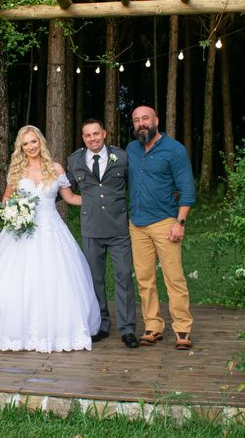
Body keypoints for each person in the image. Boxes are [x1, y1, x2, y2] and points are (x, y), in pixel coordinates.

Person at [0, 125, 101, 352]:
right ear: (21, 147)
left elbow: (69, 198)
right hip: (22, 232)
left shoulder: (56, 168)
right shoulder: (16, 170)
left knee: (57, 281)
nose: (30, 147)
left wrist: (96, 200)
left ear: (41, 142)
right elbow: (6, 199)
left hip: (52, 230)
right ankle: (13, 331)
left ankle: (57, 332)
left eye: (34, 142)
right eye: (25, 143)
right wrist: (16, 211)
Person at [127, 105, 196, 350]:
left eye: (145, 118)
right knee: (145, 279)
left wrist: (180, 222)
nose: (141, 123)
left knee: (173, 277)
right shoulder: (132, 149)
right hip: (137, 224)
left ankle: (182, 328)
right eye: (136, 120)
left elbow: (187, 188)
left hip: (166, 222)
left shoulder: (174, 150)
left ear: (156, 120)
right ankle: (153, 326)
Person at [67, 119, 138, 348]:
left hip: (118, 228)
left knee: (124, 277)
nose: (92, 139)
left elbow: (136, 186)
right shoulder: (74, 160)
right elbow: (63, 189)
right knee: (95, 280)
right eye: (87, 135)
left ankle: (127, 329)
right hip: (91, 229)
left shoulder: (123, 157)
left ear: (104, 134)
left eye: (96, 134)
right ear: (83, 138)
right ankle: (101, 325)